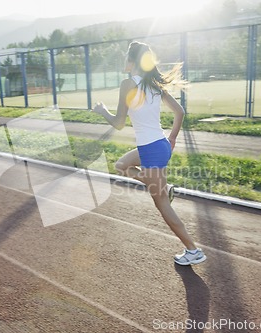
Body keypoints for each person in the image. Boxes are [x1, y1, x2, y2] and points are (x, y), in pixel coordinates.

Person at [92, 41, 206, 266]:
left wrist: (102, 111)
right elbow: (180, 112)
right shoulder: (154, 85)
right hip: (159, 145)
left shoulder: (127, 84)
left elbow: (118, 123)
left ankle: (193, 250)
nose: (124, 63)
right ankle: (164, 187)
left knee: (162, 205)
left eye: (126, 58)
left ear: (132, 61)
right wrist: (172, 138)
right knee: (122, 165)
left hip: (152, 150)